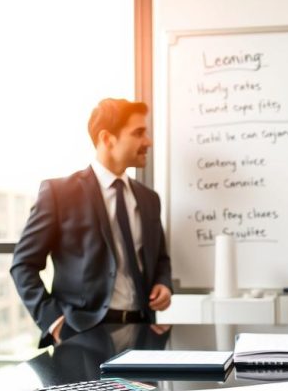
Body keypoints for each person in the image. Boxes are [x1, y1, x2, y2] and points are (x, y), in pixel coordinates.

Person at [11, 98, 172, 347]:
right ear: (107, 138)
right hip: (80, 335)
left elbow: (160, 257)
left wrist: (163, 283)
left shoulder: (149, 198)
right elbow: (23, 265)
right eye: (139, 133)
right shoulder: (59, 193)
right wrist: (55, 323)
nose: (148, 141)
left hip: (143, 331)